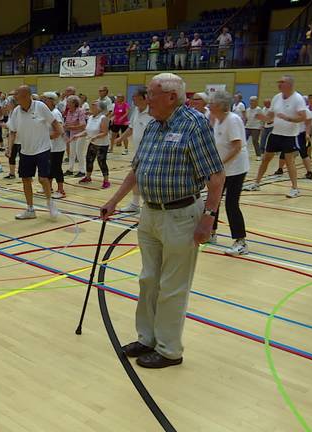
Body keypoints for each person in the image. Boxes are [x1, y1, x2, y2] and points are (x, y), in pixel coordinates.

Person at [101, 73, 225, 369]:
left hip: (181, 215)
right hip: (150, 213)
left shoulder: (194, 124)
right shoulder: (154, 125)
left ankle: (169, 349)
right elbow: (137, 169)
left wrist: (208, 218)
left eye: (151, 94)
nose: (147, 99)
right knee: (148, 280)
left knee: (172, 285)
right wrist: (113, 201)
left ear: (171, 97)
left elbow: (216, 176)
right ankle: (147, 338)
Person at [245, 75, 305, 198]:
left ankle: (295, 188)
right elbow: (271, 116)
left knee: (289, 162)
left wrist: (288, 118)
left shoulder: (297, 99)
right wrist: (264, 118)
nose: (279, 84)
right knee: (266, 159)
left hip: (289, 136)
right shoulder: (277, 97)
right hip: (275, 134)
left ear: (289, 84)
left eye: (282, 82)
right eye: (279, 82)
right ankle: (256, 183)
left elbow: (302, 117)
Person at [9, 85, 61, 220]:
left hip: (42, 148)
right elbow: (12, 131)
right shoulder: (16, 111)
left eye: (17, 95)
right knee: (26, 179)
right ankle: (30, 209)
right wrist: (9, 148)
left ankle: (50, 204)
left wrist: (58, 133)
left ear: (26, 96)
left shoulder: (40, 106)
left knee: (43, 179)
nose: (15, 97)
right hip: (26, 150)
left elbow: (54, 122)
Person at [209, 90, 249, 256]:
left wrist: (219, 164)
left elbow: (237, 147)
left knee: (231, 204)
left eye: (211, 103)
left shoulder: (232, 120)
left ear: (219, 105)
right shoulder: (218, 120)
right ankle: (211, 233)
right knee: (213, 201)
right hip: (223, 168)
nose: (209, 105)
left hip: (236, 169)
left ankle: (241, 242)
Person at [113, 87, 152, 212]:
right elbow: (131, 128)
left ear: (143, 98)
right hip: (137, 152)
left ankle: (149, 205)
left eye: (134, 97)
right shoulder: (136, 110)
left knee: (148, 179)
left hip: (151, 153)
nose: (132, 99)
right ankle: (135, 204)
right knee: (135, 177)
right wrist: (120, 139)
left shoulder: (153, 112)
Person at [70, 100, 111, 188]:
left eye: (94, 105)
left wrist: (95, 137)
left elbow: (105, 132)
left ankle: (106, 181)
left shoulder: (103, 118)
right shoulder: (91, 117)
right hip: (93, 143)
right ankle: (88, 177)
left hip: (102, 144)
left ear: (100, 108)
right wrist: (78, 135)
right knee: (89, 160)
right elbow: (87, 130)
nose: (92, 107)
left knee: (101, 162)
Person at [41, 92, 67, 199]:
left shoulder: (55, 113)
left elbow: (59, 131)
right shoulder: (48, 112)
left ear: (51, 100)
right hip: (50, 146)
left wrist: (45, 137)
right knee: (50, 168)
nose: (43, 102)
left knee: (57, 168)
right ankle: (49, 187)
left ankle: (61, 190)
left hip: (57, 146)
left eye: (45, 99)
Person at [63, 95, 86, 177]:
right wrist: (65, 127)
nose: (67, 104)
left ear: (74, 103)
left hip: (80, 135)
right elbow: (66, 123)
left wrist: (71, 127)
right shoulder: (69, 111)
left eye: (69, 102)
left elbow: (83, 125)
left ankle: (82, 170)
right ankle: (70, 169)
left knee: (79, 152)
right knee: (72, 153)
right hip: (72, 135)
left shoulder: (81, 111)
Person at [4, 95, 21, 179]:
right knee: (11, 156)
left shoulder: (18, 112)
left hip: (21, 139)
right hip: (12, 138)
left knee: (23, 157)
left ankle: (25, 174)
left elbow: (17, 127)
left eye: (8, 103)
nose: (6, 105)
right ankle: (12, 173)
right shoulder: (11, 113)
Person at [244, 96, 264, 161]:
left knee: (255, 141)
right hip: (248, 127)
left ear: (256, 102)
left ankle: (258, 155)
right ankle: (242, 155)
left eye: (253, 101)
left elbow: (262, 118)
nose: (252, 102)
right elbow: (246, 119)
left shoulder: (259, 109)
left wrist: (261, 127)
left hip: (256, 127)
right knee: (243, 140)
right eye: (251, 101)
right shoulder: (247, 110)